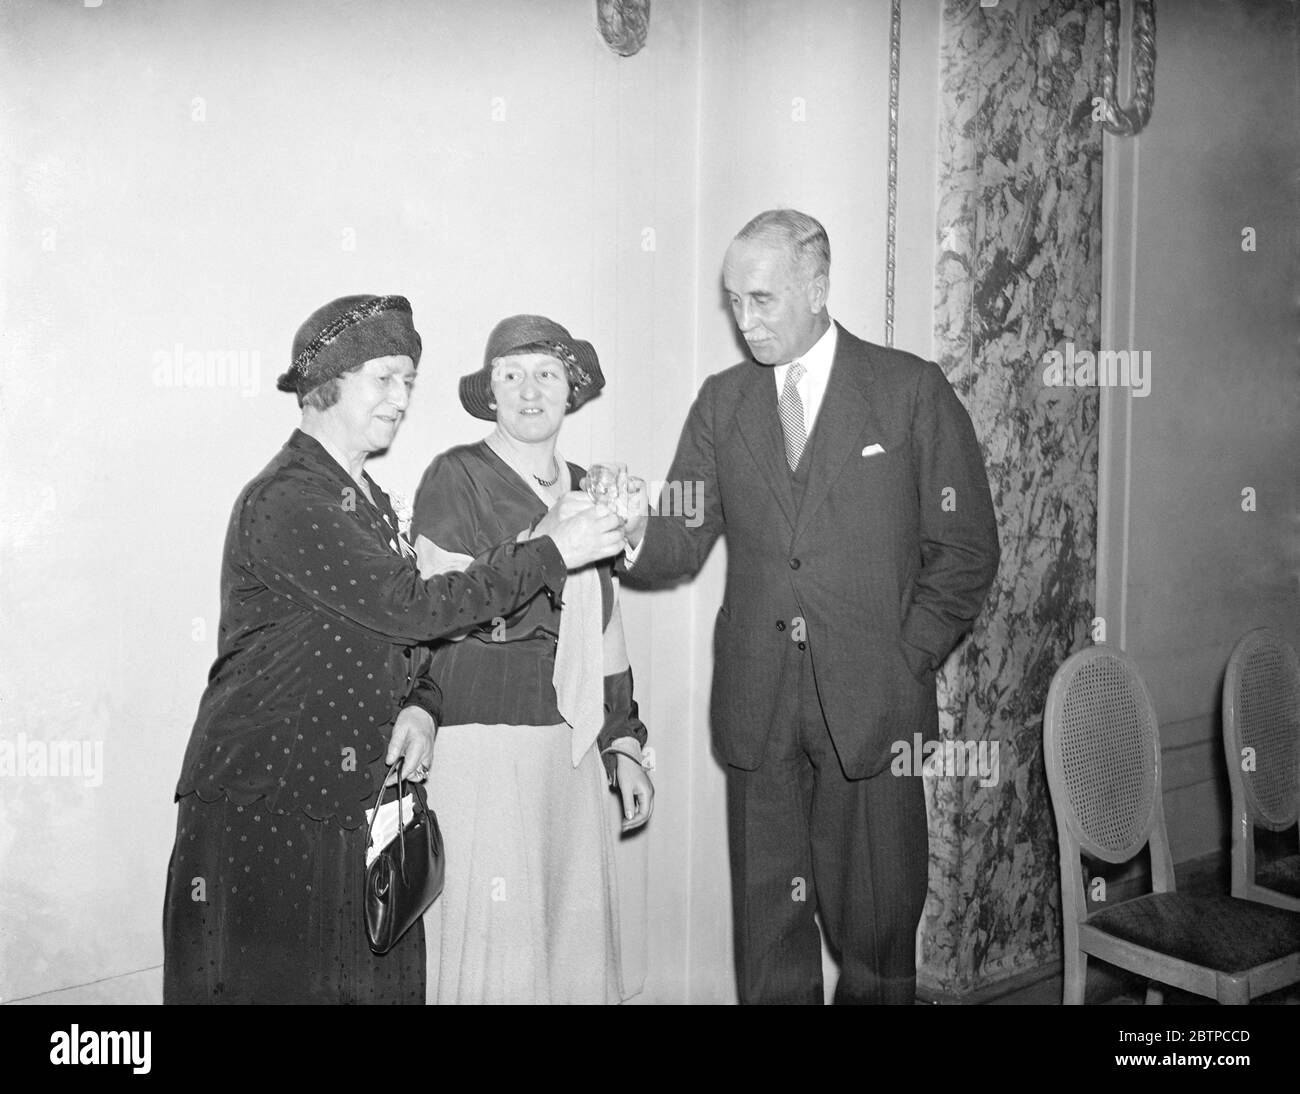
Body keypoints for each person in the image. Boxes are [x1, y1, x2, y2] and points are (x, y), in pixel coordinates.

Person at [163, 295, 625, 1005]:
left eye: (409, 381)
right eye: (384, 378)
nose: (402, 398)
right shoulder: (290, 498)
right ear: (327, 383)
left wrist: (420, 702)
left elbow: (404, 634)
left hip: (353, 802)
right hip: (273, 800)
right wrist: (550, 551)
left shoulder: (370, 499)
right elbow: (414, 608)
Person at [621, 210, 1000, 1004]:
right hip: (760, 709)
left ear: (819, 288)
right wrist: (626, 531)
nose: (744, 322)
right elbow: (680, 535)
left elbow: (965, 551)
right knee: (769, 944)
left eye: (761, 300)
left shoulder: (907, 391)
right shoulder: (723, 404)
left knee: (877, 940)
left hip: (872, 711)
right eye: (733, 302)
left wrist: (908, 656)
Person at [411, 314, 653, 1005]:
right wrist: (541, 538)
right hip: (482, 740)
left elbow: (602, 619)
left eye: (547, 373)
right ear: (488, 392)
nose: (528, 390)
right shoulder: (455, 475)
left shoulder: (587, 482)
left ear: (571, 390)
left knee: (566, 945)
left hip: (569, 745)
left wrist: (625, 740)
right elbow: (439, 614)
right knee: (496, 952)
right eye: (509, 375)